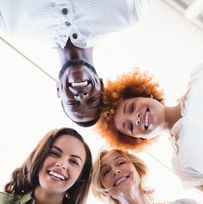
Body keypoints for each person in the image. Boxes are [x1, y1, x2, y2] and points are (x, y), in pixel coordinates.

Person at [95, 50, 203, 204]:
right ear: (138, 139)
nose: (136, 118)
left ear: (143, 94)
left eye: (132, 107)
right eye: (130, 126)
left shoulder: (201, 74)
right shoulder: (183, 167)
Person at [0, 0, 147, 126]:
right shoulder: (127, 14)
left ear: (58, 89)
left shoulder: (8, 23)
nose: (82, 97)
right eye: (92, 100)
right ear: (101, 84)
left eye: (73, 103)